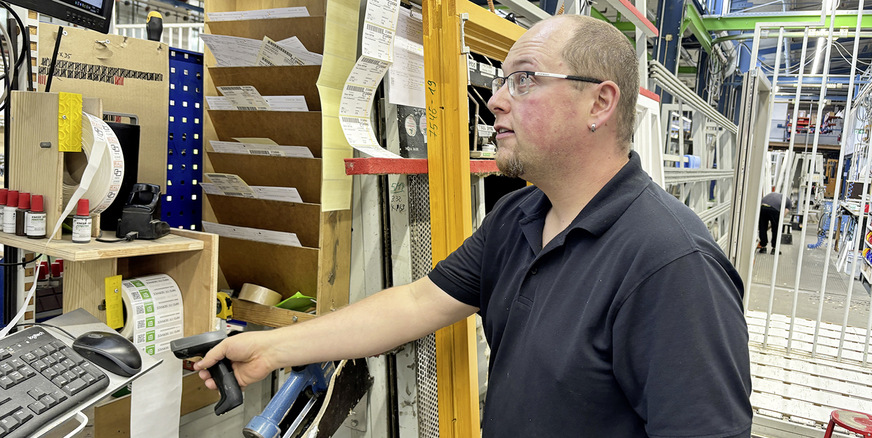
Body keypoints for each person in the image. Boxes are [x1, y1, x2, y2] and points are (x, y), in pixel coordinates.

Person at [196, 15, 752, 437]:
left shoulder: (671, 266)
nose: (495, 100)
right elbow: (416, 305)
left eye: (524, 81)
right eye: (503, 80)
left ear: (599, 103)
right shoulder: (518, 217)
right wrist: (275, 348)